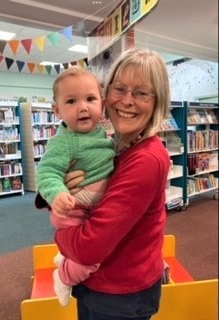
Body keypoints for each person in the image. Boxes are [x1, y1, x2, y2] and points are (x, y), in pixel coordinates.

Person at [55, 48, 171, 320]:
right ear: (107, 96)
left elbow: (89, 248)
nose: (127, 101)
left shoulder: (146, 158)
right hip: (108, 284)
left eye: (142, 93)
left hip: (118, 294)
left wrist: (60, 235)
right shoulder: (114, 145)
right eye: (120, 89)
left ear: (158, 101)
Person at [35, 66, 115, 306]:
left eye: (90, 99)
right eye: (71, 101)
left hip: (91, 208)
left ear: (101, 103)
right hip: (73, 210)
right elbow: (47, 172)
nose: (83, 107)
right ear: (57, 110)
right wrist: (57, 193)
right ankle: (63, 277)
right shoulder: (65, 142)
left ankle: (65, 258)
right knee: (93, 255)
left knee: (91, 246)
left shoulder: (103, 133)